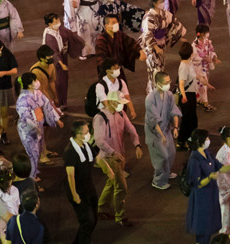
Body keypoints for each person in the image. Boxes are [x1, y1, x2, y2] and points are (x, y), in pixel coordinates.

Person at [92, 92, 140, 227]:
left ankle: (101, 208)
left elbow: (131, 129)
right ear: (112, 102)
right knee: (121, 187)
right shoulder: (100, 118)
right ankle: (120, 216)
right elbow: (99, 141)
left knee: (111, 182)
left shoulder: (121, 114)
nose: (121, 106)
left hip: (118, 156)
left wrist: (137, 144)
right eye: (119, 103)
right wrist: (113, 153)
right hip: (107, 158)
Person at [16, 72, 61, 180]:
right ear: (30, 84)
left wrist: (57, 119)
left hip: (38, 126)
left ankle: (34, 173)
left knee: (38, 151)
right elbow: (25, 118)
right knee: (33, 154)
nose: (37, 82)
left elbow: (47, 105)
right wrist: (35, 129)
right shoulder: (23, 99)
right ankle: (32, 177)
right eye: (35, 80)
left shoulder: (37, 93)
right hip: (28, 130)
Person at [145, 71, 181, 190]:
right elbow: (154, 120)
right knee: (162, 156)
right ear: (158, 83)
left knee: (171, 153)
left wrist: (175, 127)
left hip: (166, 128)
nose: (168, 84)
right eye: (166, 82)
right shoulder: (150, 99)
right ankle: (158, 180)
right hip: (155, 132)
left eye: (169, 81)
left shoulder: (169, 95)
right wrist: (162, 136)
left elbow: (174, 111)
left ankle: (167, 172)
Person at [64, 121, 99, 244]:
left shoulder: (86, 146)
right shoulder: (70, 152)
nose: (88, 134)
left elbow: (97, 158)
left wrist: (109, 170)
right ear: (78, 135)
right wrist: (74, 194)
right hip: (78, 191)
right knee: (87, 221)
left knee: (93, 219)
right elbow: (70, 175)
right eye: (86, 132)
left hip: (89, 188)